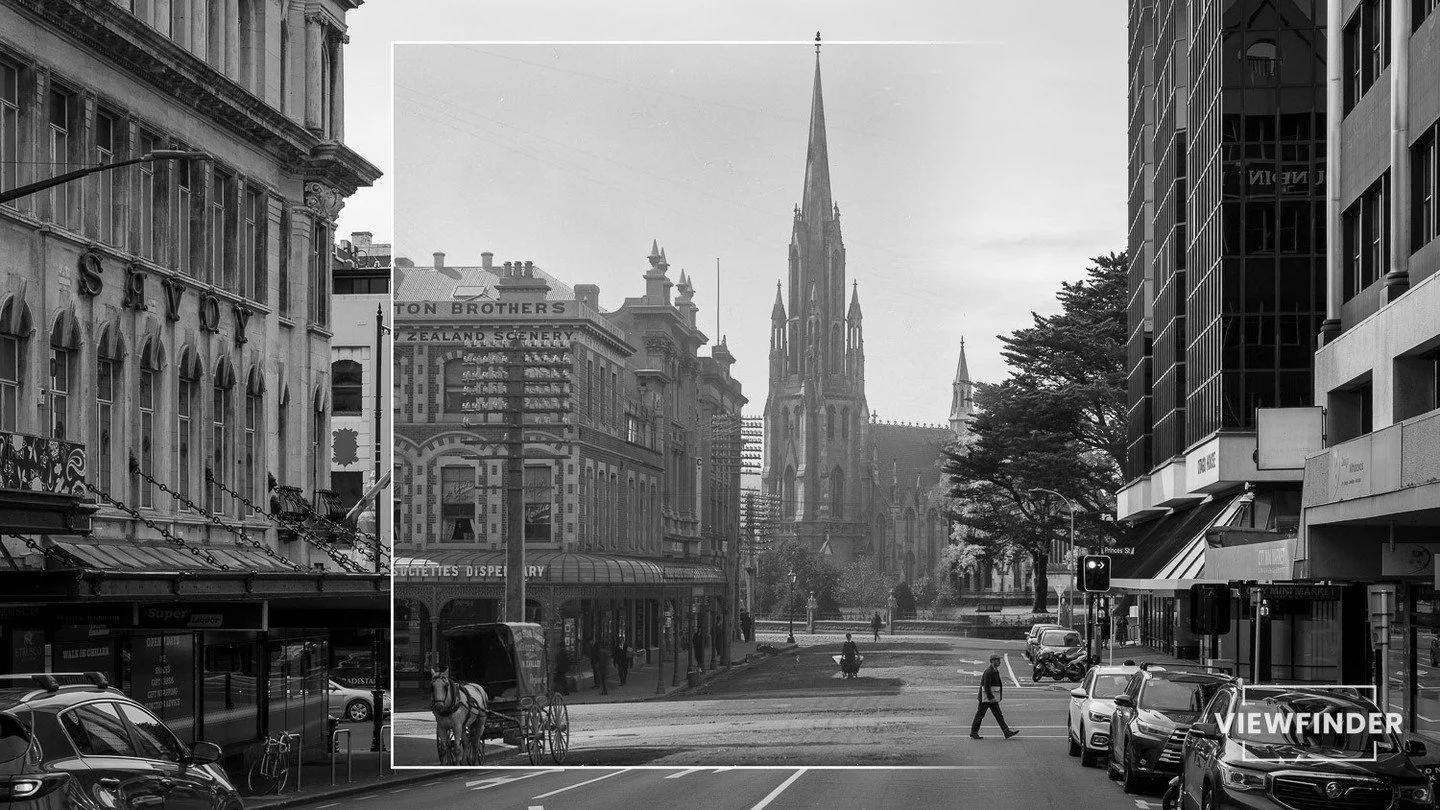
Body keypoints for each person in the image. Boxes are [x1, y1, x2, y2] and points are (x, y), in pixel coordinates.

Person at [971, 653, 1019, 740]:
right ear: (992, 661)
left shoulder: (995, 670)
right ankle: (973, 732)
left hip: (992, 698)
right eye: (997, 660)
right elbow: (986, 686)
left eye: (999, 660)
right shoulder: (989, 672)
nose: (999, 662)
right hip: (986, 698)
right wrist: (991, 697)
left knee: (998, 715)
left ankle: (1006, 731)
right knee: (980, 715)